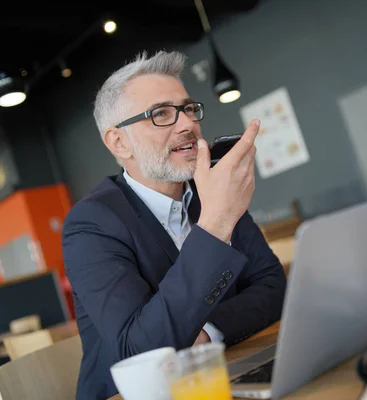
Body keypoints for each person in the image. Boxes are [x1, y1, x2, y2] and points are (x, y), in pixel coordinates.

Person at [62, 51, 287, 399]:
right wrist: (214, 224)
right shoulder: (90, 225)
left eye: (187, 109)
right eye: (162, 114)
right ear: (119, 142)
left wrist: (207, 332)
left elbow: (273, 287)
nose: (187, 124)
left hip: (220, 376)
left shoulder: (208, 187)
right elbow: (142, 349)